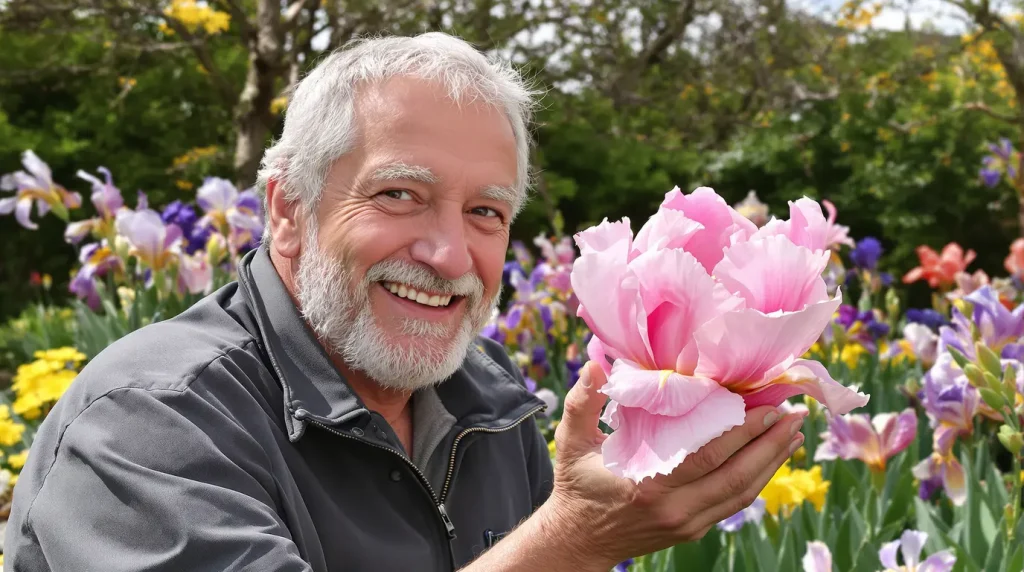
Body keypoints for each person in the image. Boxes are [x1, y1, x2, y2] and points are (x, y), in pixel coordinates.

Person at [3, 32, 806, 571]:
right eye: (399, 194)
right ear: (287, 210)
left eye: (486, 213)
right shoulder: (151, 422)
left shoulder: (490, 402)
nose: (450, 254)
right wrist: (573, 541)